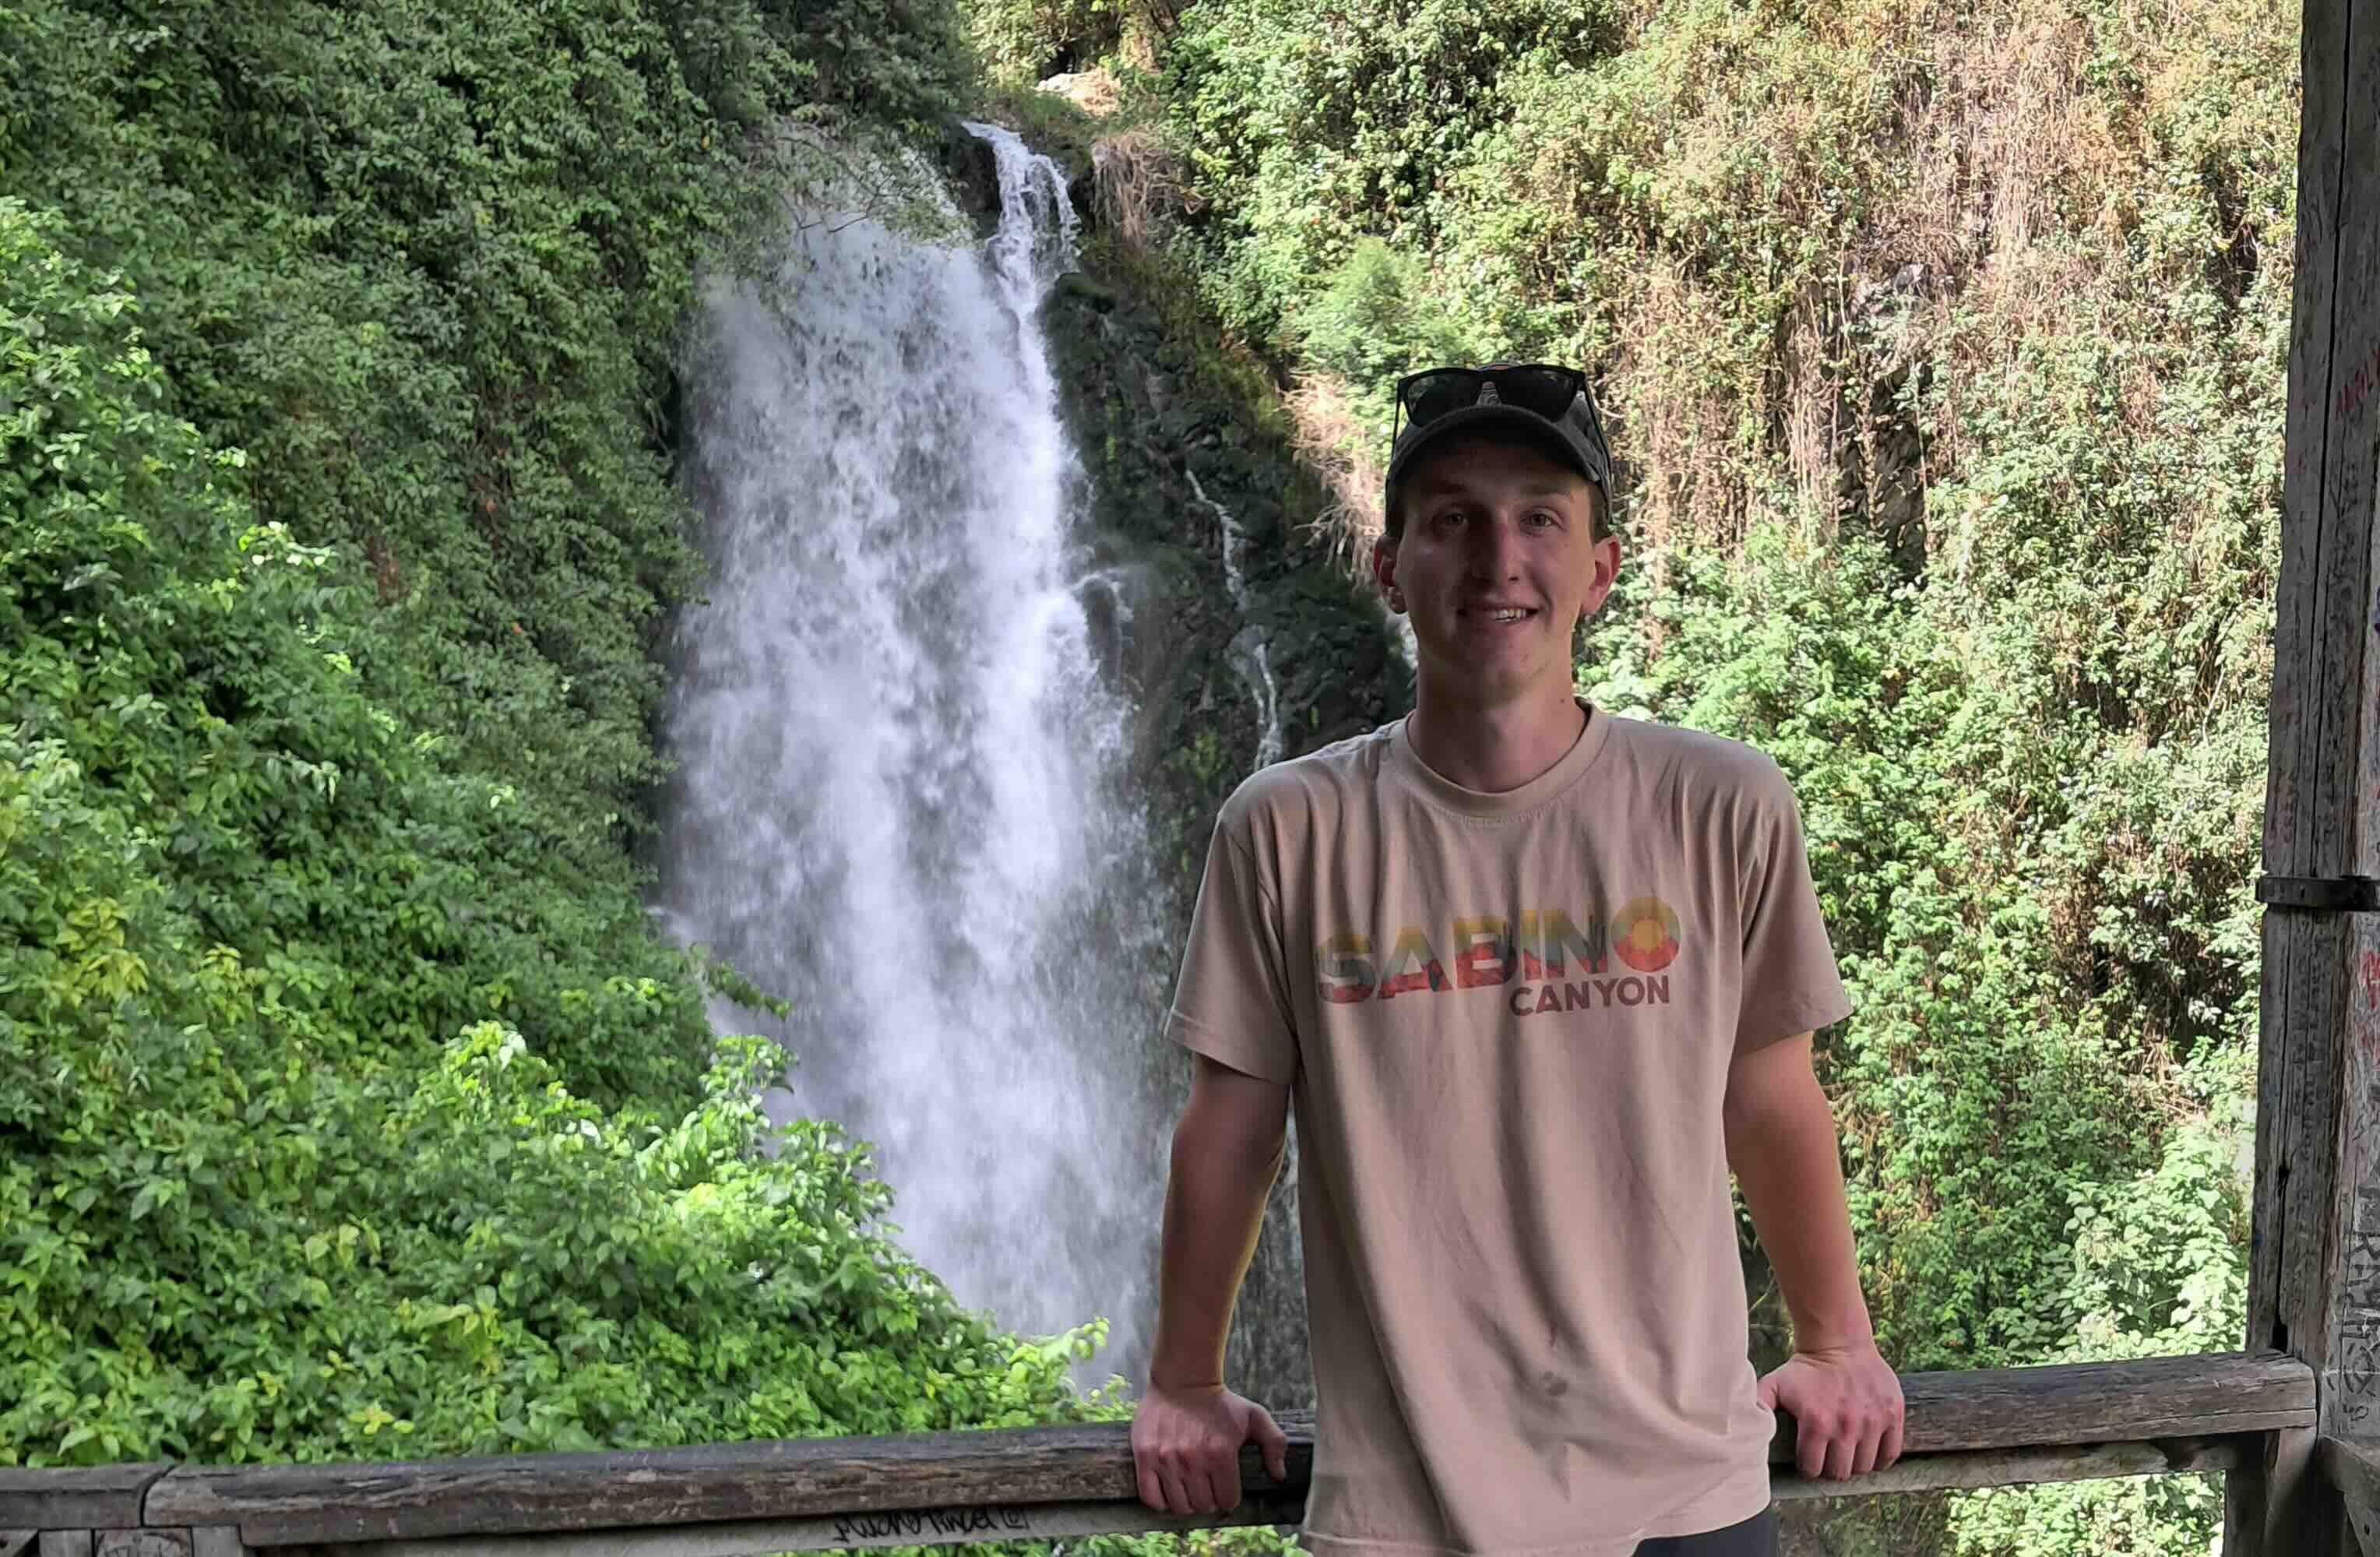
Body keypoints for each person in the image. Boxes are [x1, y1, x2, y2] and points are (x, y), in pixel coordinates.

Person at [1128, 363, 1905, 1557]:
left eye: (1539, 517)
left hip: (1683, 1501)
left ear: (1596, 570)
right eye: (1453, 520)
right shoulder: (1287, 832)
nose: (1498, 558)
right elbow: (1233, 1128)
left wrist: (1839, 1345)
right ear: (1390, 569)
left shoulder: (1721, 807)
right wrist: (1184, 1381)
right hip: (1401, 1518)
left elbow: (1771, 1096)